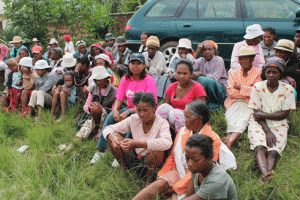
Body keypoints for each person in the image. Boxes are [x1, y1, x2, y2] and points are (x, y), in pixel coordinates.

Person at [133, 101, 221, 200]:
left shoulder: (213, 139)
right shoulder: (183, 131)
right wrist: (162, 175)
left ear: (199, 119)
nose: (184, 120)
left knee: (174, 196)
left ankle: (174, 194)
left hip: (196, 180)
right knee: (158, 184)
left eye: (188, 117)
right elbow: (172, 157)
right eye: (185, 116)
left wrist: (175, 188)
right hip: (178, 171)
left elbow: (201, 170)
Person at [90, 53, 157, 163]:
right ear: (129, 65)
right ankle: (101, 149)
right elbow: (119, 98)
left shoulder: (149, 80)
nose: (135, 66)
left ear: (144, 65)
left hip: (144, 111)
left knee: (134, 119)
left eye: (138, 63)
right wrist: (115, 109)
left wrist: (127, 112)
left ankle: (123, 151)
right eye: (133, 63)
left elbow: (148, 104)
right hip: (129, 109)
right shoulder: (126, 79)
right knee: (111, 116)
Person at [248, 57, 296, 183]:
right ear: (264, 73)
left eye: (275, 72)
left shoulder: (287, 89)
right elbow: (256, 114)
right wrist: (267, 131)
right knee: (259, 147)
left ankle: (266, 176)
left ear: (280, 74)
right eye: (268, 72)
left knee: (273, 151)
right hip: (259, 123)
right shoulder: (257, 87)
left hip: (279, 123)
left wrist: (263, 115)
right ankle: (267, 175)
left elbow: (284, 114)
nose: (271, 75)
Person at [104, 92, 172, 179]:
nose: (142, 114)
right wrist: (112, 138)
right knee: (114, 136)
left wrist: (138, 144)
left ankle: (149, 179)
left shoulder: (162, 123)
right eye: (139, 110)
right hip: (135, 156)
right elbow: (108, 129)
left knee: (157, 149)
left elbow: (167, 143)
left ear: (154, 108)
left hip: (152, 160)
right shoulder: (134, 118)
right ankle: (125, 171)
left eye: (145, 110)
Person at [223, 46, 262, 149]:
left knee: (242, 121)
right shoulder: (233, 73)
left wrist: (240, 87)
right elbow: (231, 92)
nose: (242, 61)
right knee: (230, 119)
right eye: (241, 58)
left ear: (252, 59)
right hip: (234, 102)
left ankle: (227, 146)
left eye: (246, 58)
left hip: (249, 103)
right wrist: (249, 89)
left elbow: (258, 91)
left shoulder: (258, 72)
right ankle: (226, 145)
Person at [156, 59, 206, 132]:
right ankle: (160, 133)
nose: (181, 76)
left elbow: (201, 111)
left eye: (185, 73)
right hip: (173, 119)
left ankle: (181, 137)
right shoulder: (172, 86)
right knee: (163, 107)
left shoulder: (198, 88)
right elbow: (166, 105)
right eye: (179, 73)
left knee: (175, 113)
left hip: (190, 121)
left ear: (191, 74)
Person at [183, 134, 237, 200]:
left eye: (195, 160)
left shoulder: (216, 180)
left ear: (209, 158)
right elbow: (187, 195)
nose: (189, 164)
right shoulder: (197, 169)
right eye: (187, 158)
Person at [77, 66, 118, 140]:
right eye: (95, 80)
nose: (97, 82)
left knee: (97, 109)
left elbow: (113, 110)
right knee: (94, 109)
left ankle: (100, 130)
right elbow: (86, 105)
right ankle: (79, 138)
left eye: (100, 80)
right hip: (93, 115)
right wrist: (90, 108)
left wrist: (100, 109)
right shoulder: (93, 88)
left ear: (106, 78)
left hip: (106, 118)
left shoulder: (114, 91)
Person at [192, 40, 228, 110]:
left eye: (210, 49)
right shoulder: (201, 60)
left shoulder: (219, 60)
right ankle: (203, 104)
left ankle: (214, 105)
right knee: (198, 80)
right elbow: (189, 67)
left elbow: (215, 78)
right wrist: (197, 52)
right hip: (206, 89)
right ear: (202, 52)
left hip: (219, 90)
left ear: (215, 51)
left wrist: (202, 74)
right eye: (205, 50)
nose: (207, 52)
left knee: (203, 80)